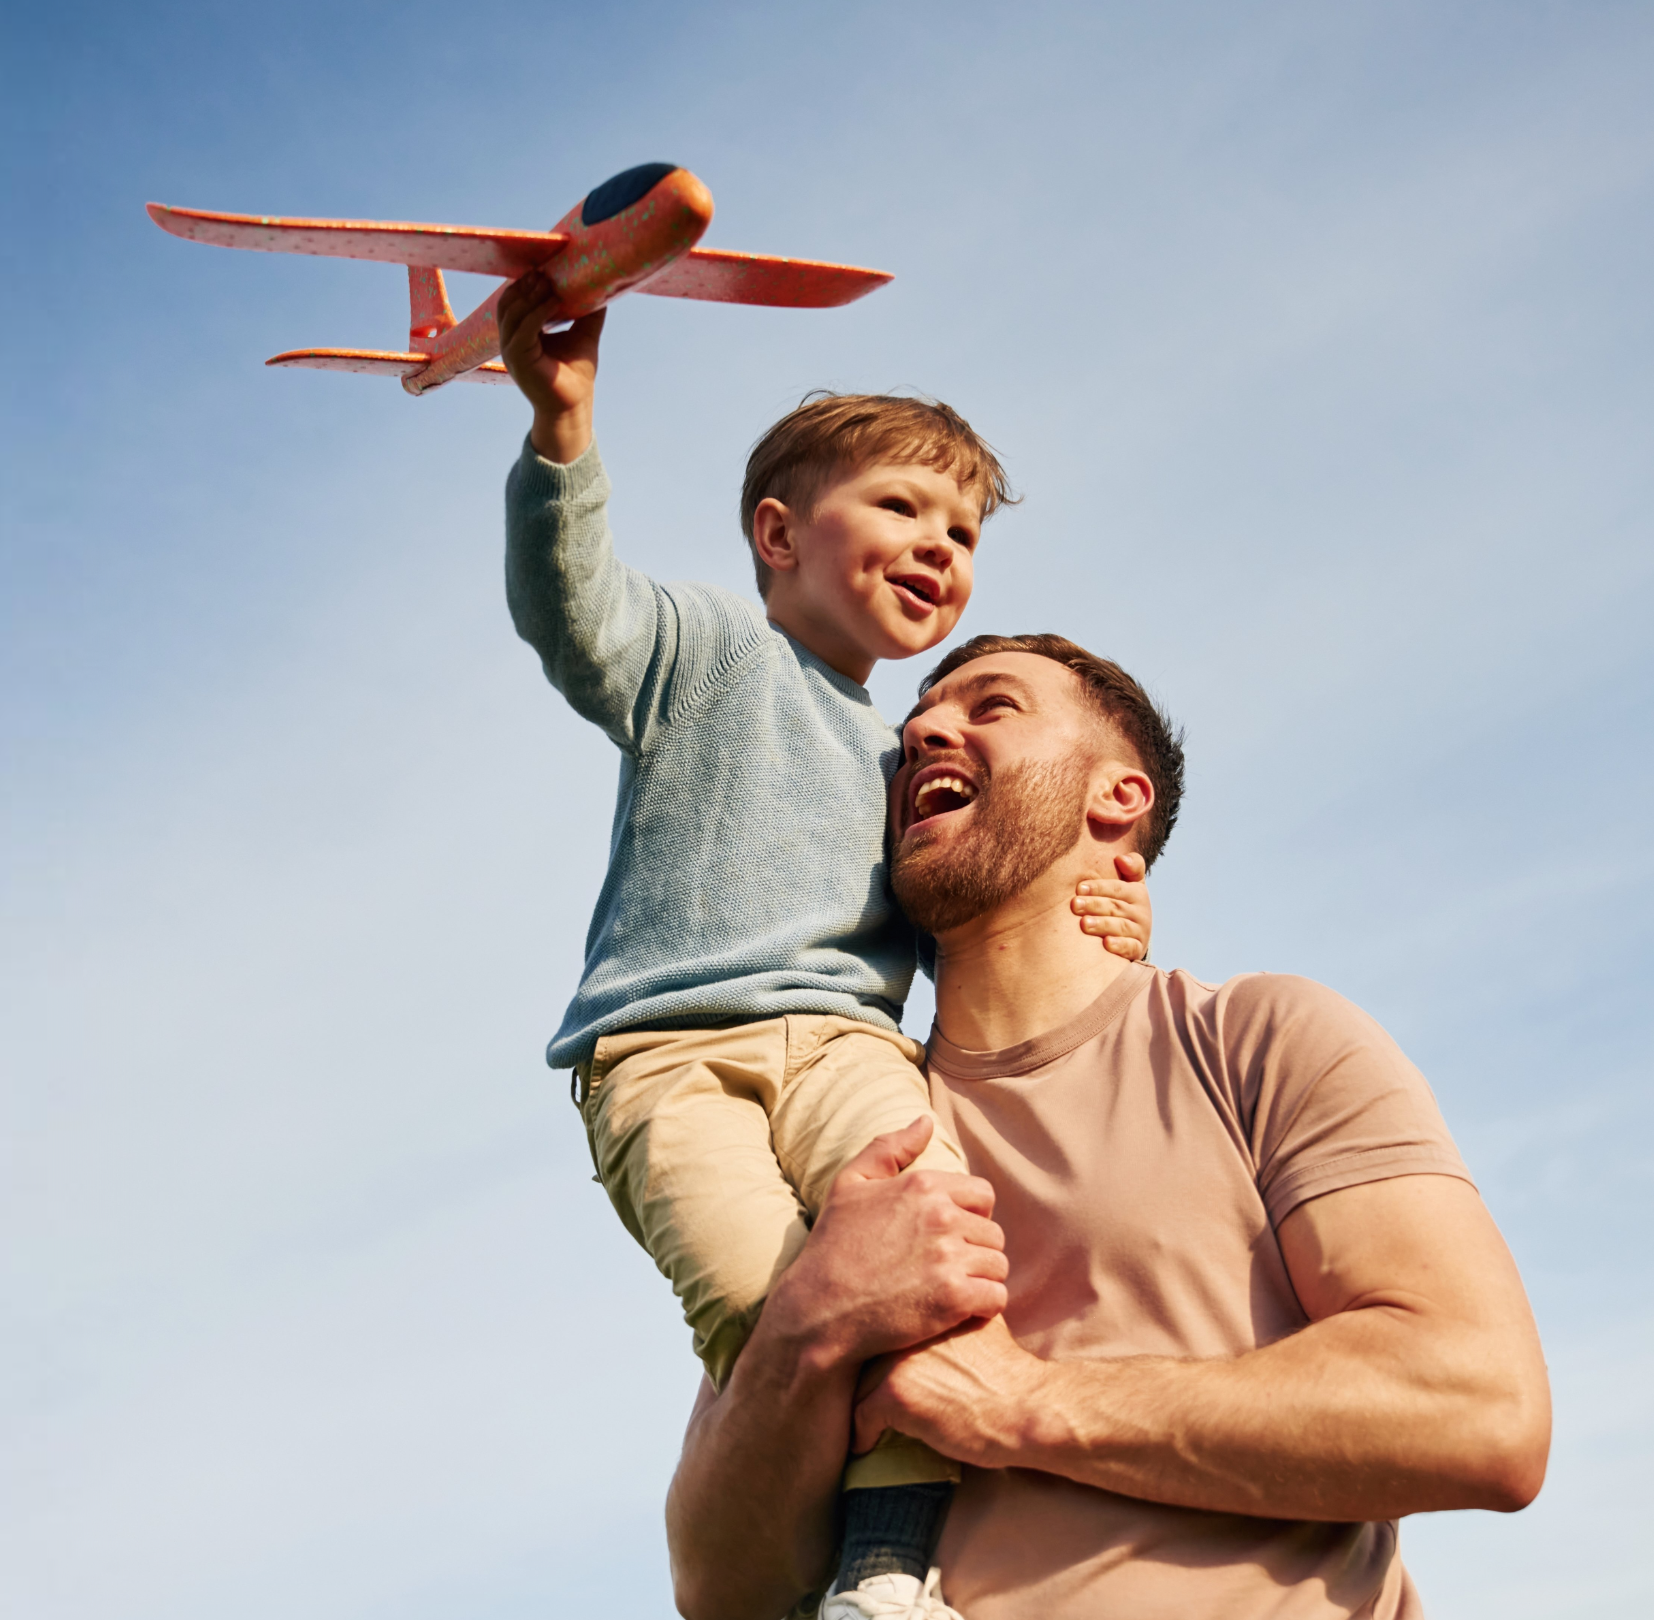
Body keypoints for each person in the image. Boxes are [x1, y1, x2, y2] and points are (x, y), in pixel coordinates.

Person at [493, 269, 1150, 1620]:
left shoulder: (915, 749)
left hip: (852, 1050)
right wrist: (561, 437)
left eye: (962, 530)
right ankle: (792, 1558)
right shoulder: (708, 647)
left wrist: (1114, 896)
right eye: (902, 506)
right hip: (668, 1061)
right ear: (778, 533)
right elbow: (574, 613)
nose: (938, 545)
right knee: (772, 1309)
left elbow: (982, 906)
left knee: (940, 1269)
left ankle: (888, 1570)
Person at [666, 634, 1552, 1620]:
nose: (919, 729)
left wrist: (1017, 1401)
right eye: (916, 721)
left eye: (991, 706)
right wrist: (807, 1328)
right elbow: (716, 1589)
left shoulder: (1256, 1038)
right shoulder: (834, 1119)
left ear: (1115, 799)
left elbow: (1481, 1412)